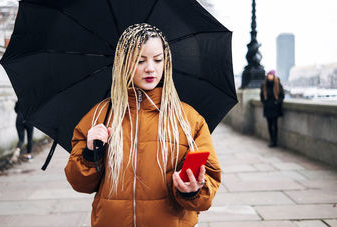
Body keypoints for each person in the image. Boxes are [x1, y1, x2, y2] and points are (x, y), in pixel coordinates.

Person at [64, 23, 221, 227]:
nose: (150, 68)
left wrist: (192, 190)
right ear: (123, 63)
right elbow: (80, 184)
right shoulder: (100, 116)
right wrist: (91, 153)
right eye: (140, 60)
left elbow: (207, 185)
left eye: (158, 60)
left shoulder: (188, 119)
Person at [260, 70, 285, 147]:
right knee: (269, 125)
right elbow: (261, 96)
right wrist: (265, 103)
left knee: (275, 125)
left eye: (271, 75)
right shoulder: (264, 85)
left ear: (274, 76)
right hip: (267, 108)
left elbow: (282, 96)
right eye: (268, 75)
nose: (269, 76)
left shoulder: (278, 84)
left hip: (275, 108)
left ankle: (274, 141)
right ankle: (271, 139)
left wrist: (277, 102)